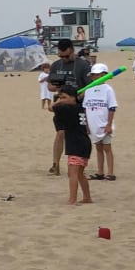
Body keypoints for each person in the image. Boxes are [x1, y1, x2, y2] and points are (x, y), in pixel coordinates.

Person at [46, 39, 91, 175]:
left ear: (72, 50)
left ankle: (78, 164)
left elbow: (89, 87)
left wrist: (77, 98)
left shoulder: (83, 65)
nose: (63, 59)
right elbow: (50, 86)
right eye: (61, 56)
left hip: (78, 106)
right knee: (60, 132)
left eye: (66, 56)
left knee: (79, 134)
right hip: (61, 104)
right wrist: (57, 86)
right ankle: (56, 164)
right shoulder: (56, 65)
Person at [52, 84, 92, 205]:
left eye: (64, 97)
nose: (62, 100)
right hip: (84, 143)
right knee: (80, 173)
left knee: (72, 173)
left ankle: (73, 199)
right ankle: (87, 197)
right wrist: (64, 98)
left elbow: (51, 107)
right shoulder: (80, 108)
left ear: (73, 97)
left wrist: (58, 101)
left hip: (76, 144)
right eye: (61, 98)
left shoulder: (67, 109)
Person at [82, 64, 117, 181]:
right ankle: (100, 172)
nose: (95, 77)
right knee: (98, 148)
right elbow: (85, 108)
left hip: (104, 123)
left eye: (98, 75)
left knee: (107, 148)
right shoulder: (88, 89)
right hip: (93, 124)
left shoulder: (108, 89)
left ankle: (110, 172)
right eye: (93, 75)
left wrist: (109, 124)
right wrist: (87, 125)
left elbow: (112, 108)